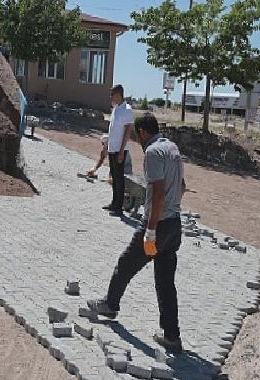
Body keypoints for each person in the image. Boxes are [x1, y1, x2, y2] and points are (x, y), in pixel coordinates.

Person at [87, 113, 187, 353]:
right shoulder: (173, 148)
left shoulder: (153, 152)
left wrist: (151, 230)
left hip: (158, 227)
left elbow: (158, 193)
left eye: (136, 136)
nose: (136, 141)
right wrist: (170, 211)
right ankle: (172, 337)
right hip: (174, 227)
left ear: (143, 132)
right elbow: (181, 186)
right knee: (165, 283)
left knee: (126, 263)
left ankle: (110, 305)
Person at [104, 85, 134, 216]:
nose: (111, 97)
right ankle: (114, 202)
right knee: (114, 177)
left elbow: (127, 131)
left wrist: (122, 150)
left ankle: (119, 206)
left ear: (118, 94)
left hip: (120, 150)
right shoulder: (116, 108)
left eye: (112, 95)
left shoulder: (127, 110)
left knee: (119, 178)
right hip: (112, 148)